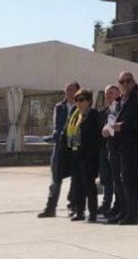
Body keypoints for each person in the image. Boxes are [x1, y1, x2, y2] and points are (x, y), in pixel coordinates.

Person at [110, 72, 138, 225]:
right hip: (118, 147)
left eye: (128, 81)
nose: (125, 84)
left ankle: (133, 212)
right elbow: (110, 119)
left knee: (132, 181)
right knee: (121, 180)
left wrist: (122, 127)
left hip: (135, 147)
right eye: (122, 82)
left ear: (133, 82)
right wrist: (108, 128)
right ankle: (124, 210)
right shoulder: (117, 102)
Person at [39, 82, 79, 217]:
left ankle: (73, 206)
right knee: (56, 178)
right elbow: (57, 125)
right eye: (67, 90)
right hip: (60, 146)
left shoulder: (80, 107)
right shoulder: (59, 107)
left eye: (71, 90)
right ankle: (51, 207)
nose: (68, 93)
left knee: (75, 178)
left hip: (74, 147)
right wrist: (58, 134)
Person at [66, 89, 103, 222]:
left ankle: (92, 212)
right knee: (77, 185)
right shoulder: (75, 115)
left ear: (88, 101)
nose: (79, 103)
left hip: (89, 156)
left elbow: (95, 136)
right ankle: (79, 211)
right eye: (77, 100)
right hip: (76, 154)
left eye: (82, 100)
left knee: (89, 185)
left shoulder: (93, 114)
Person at [99, 84, 120, 216]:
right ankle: (106, 203)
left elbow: (117, 127)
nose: (108, 95)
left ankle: (118, 204)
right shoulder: (104, 111)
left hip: (117, 148)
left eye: (111, 93)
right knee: (106, 177)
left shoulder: (121, 109)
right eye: (106, 93)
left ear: (118, 94)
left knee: (117, 178)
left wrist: (109, 131)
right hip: (105, 148)